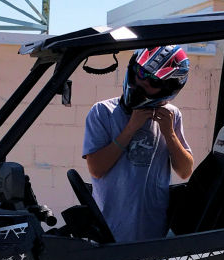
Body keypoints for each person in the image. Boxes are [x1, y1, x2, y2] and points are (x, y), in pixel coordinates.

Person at [82, 45, 194, 243]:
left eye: (152, 81)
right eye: (140, 73)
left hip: (152, 231)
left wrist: (169, 133)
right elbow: (96, 169)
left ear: (167, 88)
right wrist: (131, 128)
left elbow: (185, 171)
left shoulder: (171, 115)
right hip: (109, 232)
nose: (141, 82)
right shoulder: (102, 112)